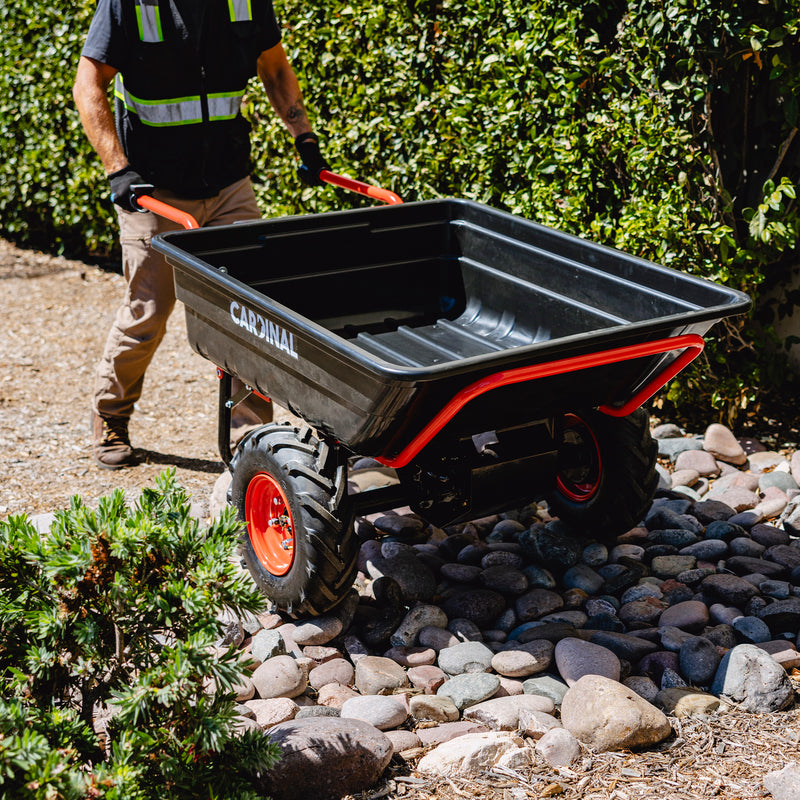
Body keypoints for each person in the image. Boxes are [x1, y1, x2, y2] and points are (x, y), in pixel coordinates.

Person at [73, 0, 328, 469]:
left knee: (251, 309)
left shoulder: (246, 2)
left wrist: (304, 136)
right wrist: (118, 170)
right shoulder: (130, 5)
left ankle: (251, 433)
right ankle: (109, 414)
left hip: (228, 181)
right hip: (153, 188)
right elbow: (88, 82)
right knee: (148, 309)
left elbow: (274, 69)